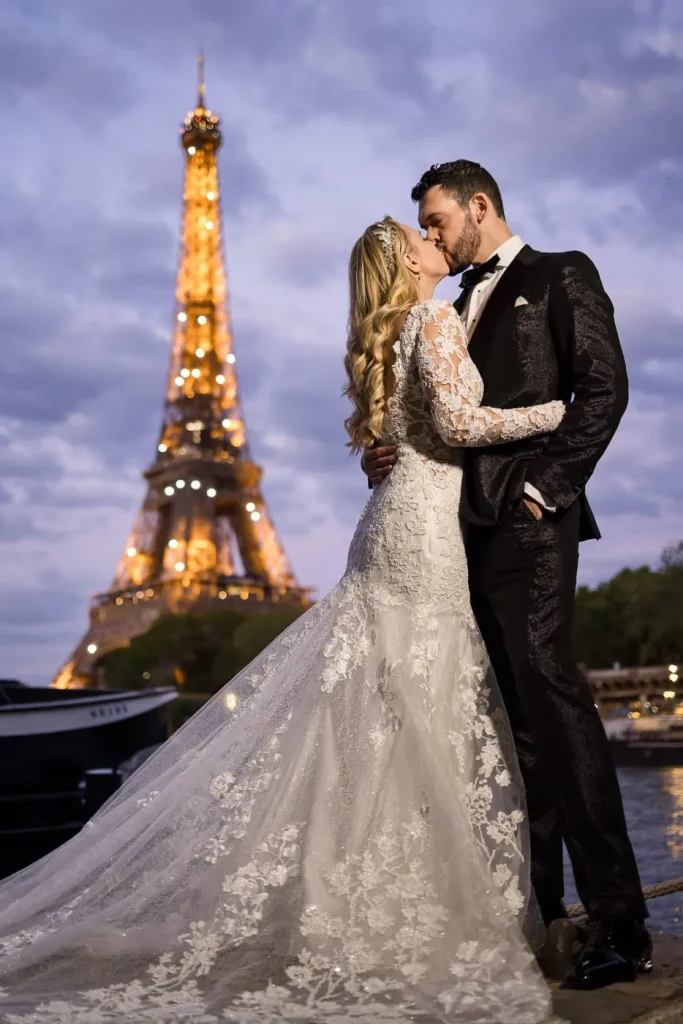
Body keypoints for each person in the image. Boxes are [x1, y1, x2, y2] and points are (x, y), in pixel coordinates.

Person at [0, 218, 564, 1024]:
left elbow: (398, 434)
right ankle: (405, 898)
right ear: (406, 262)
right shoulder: (432, 318)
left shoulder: (383, 334)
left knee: (369, 723)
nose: (431, 238)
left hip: (387, 527)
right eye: (418, 235)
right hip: (422, 535)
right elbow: (459, 426)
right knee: (422, 714)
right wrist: (551, 413)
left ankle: (345, 900)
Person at [362, 160, 651, 990]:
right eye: (424, 225)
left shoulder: (561, 274)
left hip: (529, 525)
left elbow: (603, 390)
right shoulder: (445, 307)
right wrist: (388, 450)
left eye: (436, 220)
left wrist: (543, 490)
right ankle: (541, 915)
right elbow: (437, 415)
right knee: (510, 733)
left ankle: (620, 923)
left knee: (554, 707)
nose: (430, 235)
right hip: (451, 538)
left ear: (478, 205)